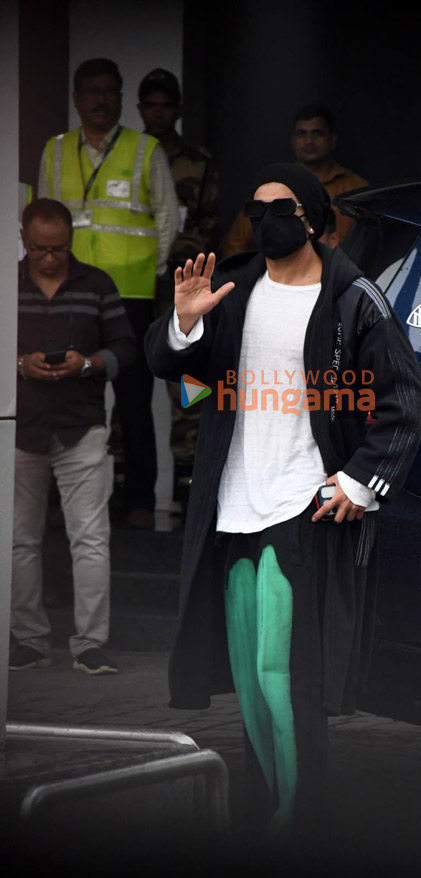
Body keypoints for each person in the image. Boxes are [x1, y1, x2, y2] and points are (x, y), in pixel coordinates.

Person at [145, 163, 421, 836]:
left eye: (283, 208)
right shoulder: (233, 288)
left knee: (283, 677)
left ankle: (301, 825)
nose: (267, 217)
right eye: (257, 207)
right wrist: (183, 326)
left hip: (300, 507)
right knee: (249, 681)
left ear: (315, 218)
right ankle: (261, 815)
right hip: (232, 507)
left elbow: (403, 400)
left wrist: (360, 481)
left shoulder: (352, 297)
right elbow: (172, 369)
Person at [38, 57, 179, 530]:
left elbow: (167, 217)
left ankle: (139, 499)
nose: (99, 100)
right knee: (68, 396)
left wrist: (152, 267)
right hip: (69, 294)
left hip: (131, 296)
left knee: (134, 398)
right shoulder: (55, 151)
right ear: (76, 99)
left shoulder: (145, 149)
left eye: (108, 92)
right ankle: (63, 501)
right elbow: (42, 218)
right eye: (90, 92)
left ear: (121, 99)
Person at [9, 198, 136, 675]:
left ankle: (89, 644)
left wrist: (89, 363)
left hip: (82, 422)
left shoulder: (97, 283)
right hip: (21, 426)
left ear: (71, 242)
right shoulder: (6, 282)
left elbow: (126, 348)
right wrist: (20, 365)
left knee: (91, 539)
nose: (48, 257)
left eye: (58, 248)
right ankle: (29, 640)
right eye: (40, 248)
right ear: (23, 240)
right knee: (21, 540)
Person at [138, 67, 220, 512]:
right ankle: (126, 482)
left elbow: (210, 223)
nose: (157, 112)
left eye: (165, 104)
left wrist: (177, 261)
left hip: (181, 284)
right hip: (135, 285)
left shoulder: (198, 161)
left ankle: (191, 478)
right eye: (150, 104)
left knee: (190, 380)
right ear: (139, 109)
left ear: (178, 109)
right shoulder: (132, 156)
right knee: (131, 382)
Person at [222, 104, 367, 256]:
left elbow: (370, 247)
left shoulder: (356, 187)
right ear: (292, 140)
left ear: (332, 139)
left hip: (341, 275)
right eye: (301, 134)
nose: (309, 141)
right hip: (278, 272)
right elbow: (235, 245)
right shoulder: (273, 188)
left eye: (317, 133)